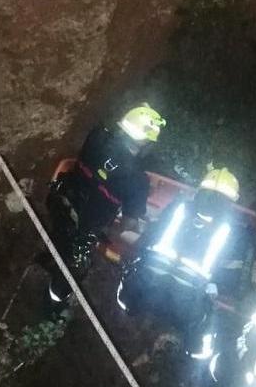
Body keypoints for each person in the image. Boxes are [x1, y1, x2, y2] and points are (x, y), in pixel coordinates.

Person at [116, 165, 254, 359]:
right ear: (231, 200)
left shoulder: (179, 207)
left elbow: (150, 237)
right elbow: (230, 279)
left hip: (147, 285)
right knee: (200, 350)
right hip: (186, 300)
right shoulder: (232, 230)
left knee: (126, 299)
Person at [42, 103, 165, 310]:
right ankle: (54, 300)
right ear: (145, 141)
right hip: (82, 230)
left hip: (58, 200)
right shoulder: (138, 181)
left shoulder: (97, 136)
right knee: (70, 277)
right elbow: (127, 227)